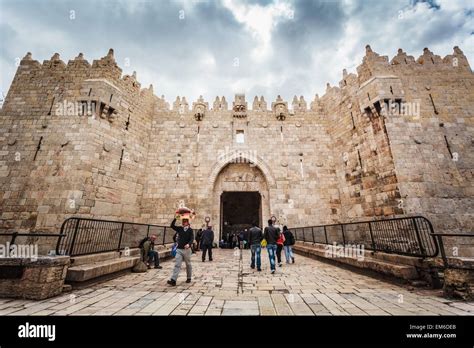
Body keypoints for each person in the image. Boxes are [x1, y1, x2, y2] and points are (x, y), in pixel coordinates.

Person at [167, 217, 194, 286]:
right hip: (179, 249)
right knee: (177, 264)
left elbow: (192, 238)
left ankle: (189, 277)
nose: (183, 222)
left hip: (187, 250)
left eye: (185, 221)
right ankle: (173, 280)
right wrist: (175, 218)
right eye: (183, 221)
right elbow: (172, 226)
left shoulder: (190, 230)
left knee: (188, 264)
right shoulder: (180, 229)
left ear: (188, 223)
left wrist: (189, 244)